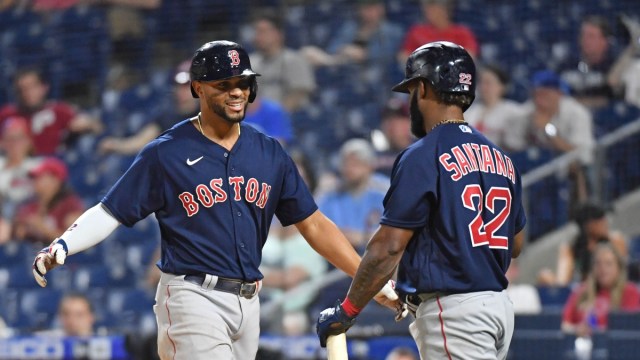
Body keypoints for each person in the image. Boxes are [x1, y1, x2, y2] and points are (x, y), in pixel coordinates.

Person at [31, 40, 399, 360]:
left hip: (250, 301)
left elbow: (314, 224)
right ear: (198, 88)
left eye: (244, 83)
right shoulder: (166, 153)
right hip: (192, 296)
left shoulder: (269, 152)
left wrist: (369, 280)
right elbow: (111, 211)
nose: (237, 91)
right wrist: (65, 243)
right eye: (224, 84)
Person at [316, 42, 526, 360]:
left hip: (456, 312)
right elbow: (516, 244)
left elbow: (388, 246)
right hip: (497, 309)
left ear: (425, 88)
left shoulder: (423, 154)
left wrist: (347, 310)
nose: (411, 99)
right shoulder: (502, 158)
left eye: (412, 90)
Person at [98, 60, 199, 156]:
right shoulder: (167, 116)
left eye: (187, 86)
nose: (180, 92)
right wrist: (116, 145)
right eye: (178, 86)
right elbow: (140, 141)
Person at [0, 68, 102, 156]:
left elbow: (95, 126)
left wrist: (87, 124)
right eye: (22, 89)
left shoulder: (59, 110)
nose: (27, 93)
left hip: (52, 166)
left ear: (44, 88)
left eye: (32, 87)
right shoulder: (7, 114)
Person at [318, 138, 387, 251]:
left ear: (369, 166)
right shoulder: (330, 195)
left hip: (377, 260)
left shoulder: (384, 191)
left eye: (356, 164)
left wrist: (363, 238)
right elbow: (318, 229)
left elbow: (395, 234)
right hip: (337, 259)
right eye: (346, 163)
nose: (349, 169)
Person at [537, 202, 628, 286]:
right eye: (600, 219)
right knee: (544, 275)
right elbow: (563, 281)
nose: (605, 222)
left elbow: (621, 273)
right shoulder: (571, 248)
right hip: (584, 294)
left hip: (611, 290)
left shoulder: (614, 241)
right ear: (588, 225)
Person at [561, 242, 640, 336]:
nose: (603, 269)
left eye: (608, 264)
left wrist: (599, 332)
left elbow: (630, 328)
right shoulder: (581, 291)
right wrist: (576, 330)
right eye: (598, 264)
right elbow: (563, 324)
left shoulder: (630, 292)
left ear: (619, 268)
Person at [249, 10, 316, 112]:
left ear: (278, 34)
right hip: (258, 121)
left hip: (292, 121)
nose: (258, 36)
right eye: (256, 32)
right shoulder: (250, 62)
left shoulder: (294, 60)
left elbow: (300, 94)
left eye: (262, 31)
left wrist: (276, 115)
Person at [13, 157, 85, 245]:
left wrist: (42, 228)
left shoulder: (71, 204)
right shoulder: (29, 205)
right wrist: (22, 231)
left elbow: (73, 239)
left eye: (40, 177)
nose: (34, 181)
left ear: (55, 180)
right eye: (34, 178)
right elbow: (18, 236)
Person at [464, 64, 525, 151]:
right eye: (481, 82)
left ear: (502, 87)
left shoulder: (514, 111)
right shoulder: (470, 111)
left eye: (488, 83)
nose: (483, 87)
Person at [398, 0, 478, 63]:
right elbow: (404, 55)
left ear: (444, 11)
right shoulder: (417, 31)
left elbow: (470, 54)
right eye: (427, 9)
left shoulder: (461, 32)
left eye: (433, 10)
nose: (427, 13)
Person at [0, 116, 41, 223]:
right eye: (9, 139)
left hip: (28, 222)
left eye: (19, 138)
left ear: (28, 141)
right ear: (2, 142)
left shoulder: (38, 166)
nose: (14, 144)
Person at [374, 97, 413, 177]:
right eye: (387, 119)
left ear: (409, 123)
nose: (390, 125)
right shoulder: (374, 156)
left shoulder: (422, 151)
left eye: (397, 119)